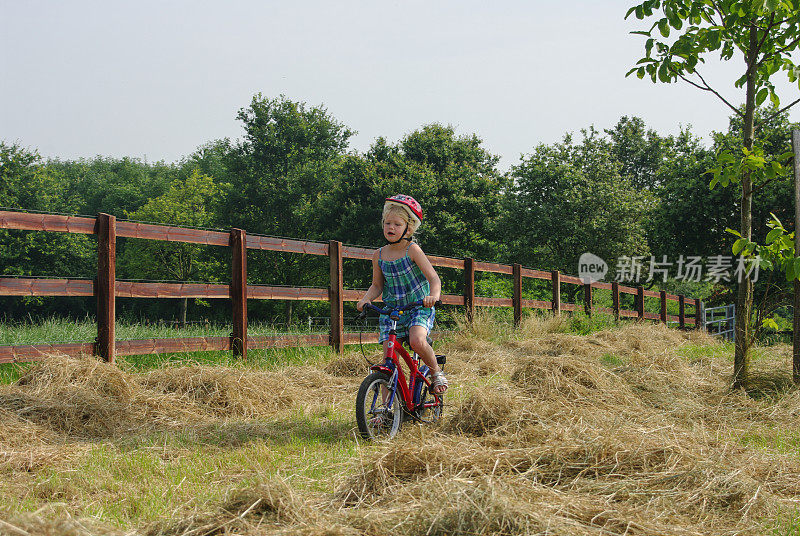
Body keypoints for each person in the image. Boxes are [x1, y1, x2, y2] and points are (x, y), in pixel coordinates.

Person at [356, 194, 447, 394]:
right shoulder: (378, 255)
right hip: (392, 311)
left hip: (417, 307)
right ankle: (385, 411)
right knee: (389, 360)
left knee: (416, 341)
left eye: (397, 224)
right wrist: (366, 299)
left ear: (409, 228)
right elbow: (377, 285)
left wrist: (433, 296)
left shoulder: (412, 250)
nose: (391, 227)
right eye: (387, 223)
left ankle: (436, 373)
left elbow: (434, 279)